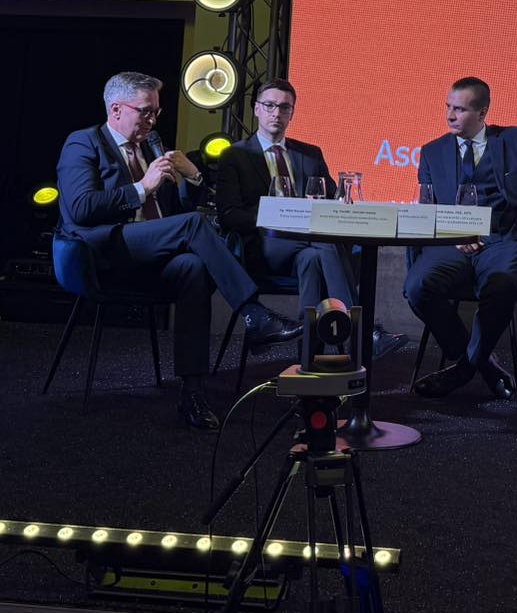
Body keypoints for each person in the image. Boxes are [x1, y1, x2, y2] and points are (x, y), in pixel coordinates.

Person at [55, 71, 267, 431]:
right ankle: (253, 313)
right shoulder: (84, 143)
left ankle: (192, 393)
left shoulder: (149, 148)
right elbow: (80, 208)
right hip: (102, 254)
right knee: (193, 226)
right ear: (116, 109)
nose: (153, 121)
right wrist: (142, 187)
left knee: (192, 268)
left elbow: (175, 212)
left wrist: (193, 177)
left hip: (151, 256)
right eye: (145, 112)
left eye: (156, 112)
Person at [406, 77, 517, 401]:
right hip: (453, 242)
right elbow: (427, 211)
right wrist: (453, 235)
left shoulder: (514, 141)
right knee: (417, 287)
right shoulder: (432, 152)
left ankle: (463, 370)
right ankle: (483, 365)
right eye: (448, 107)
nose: (450, 116)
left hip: (503, 240)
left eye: (460, 109)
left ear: (482, 113)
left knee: (501, 285)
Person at [210, 79, 404, 361]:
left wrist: (327, 205)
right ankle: (363, 332)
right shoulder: (235, 155)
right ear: (256, 109)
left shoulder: (310, 154)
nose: (276, 113)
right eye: (269, 105)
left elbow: (332, 202)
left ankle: (308, 360)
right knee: (324, 242)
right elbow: (228, 215)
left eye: (284, 107)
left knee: (312, 258)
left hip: (305, 248)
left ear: (292, 113)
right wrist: (277, 215)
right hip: (264, 245)